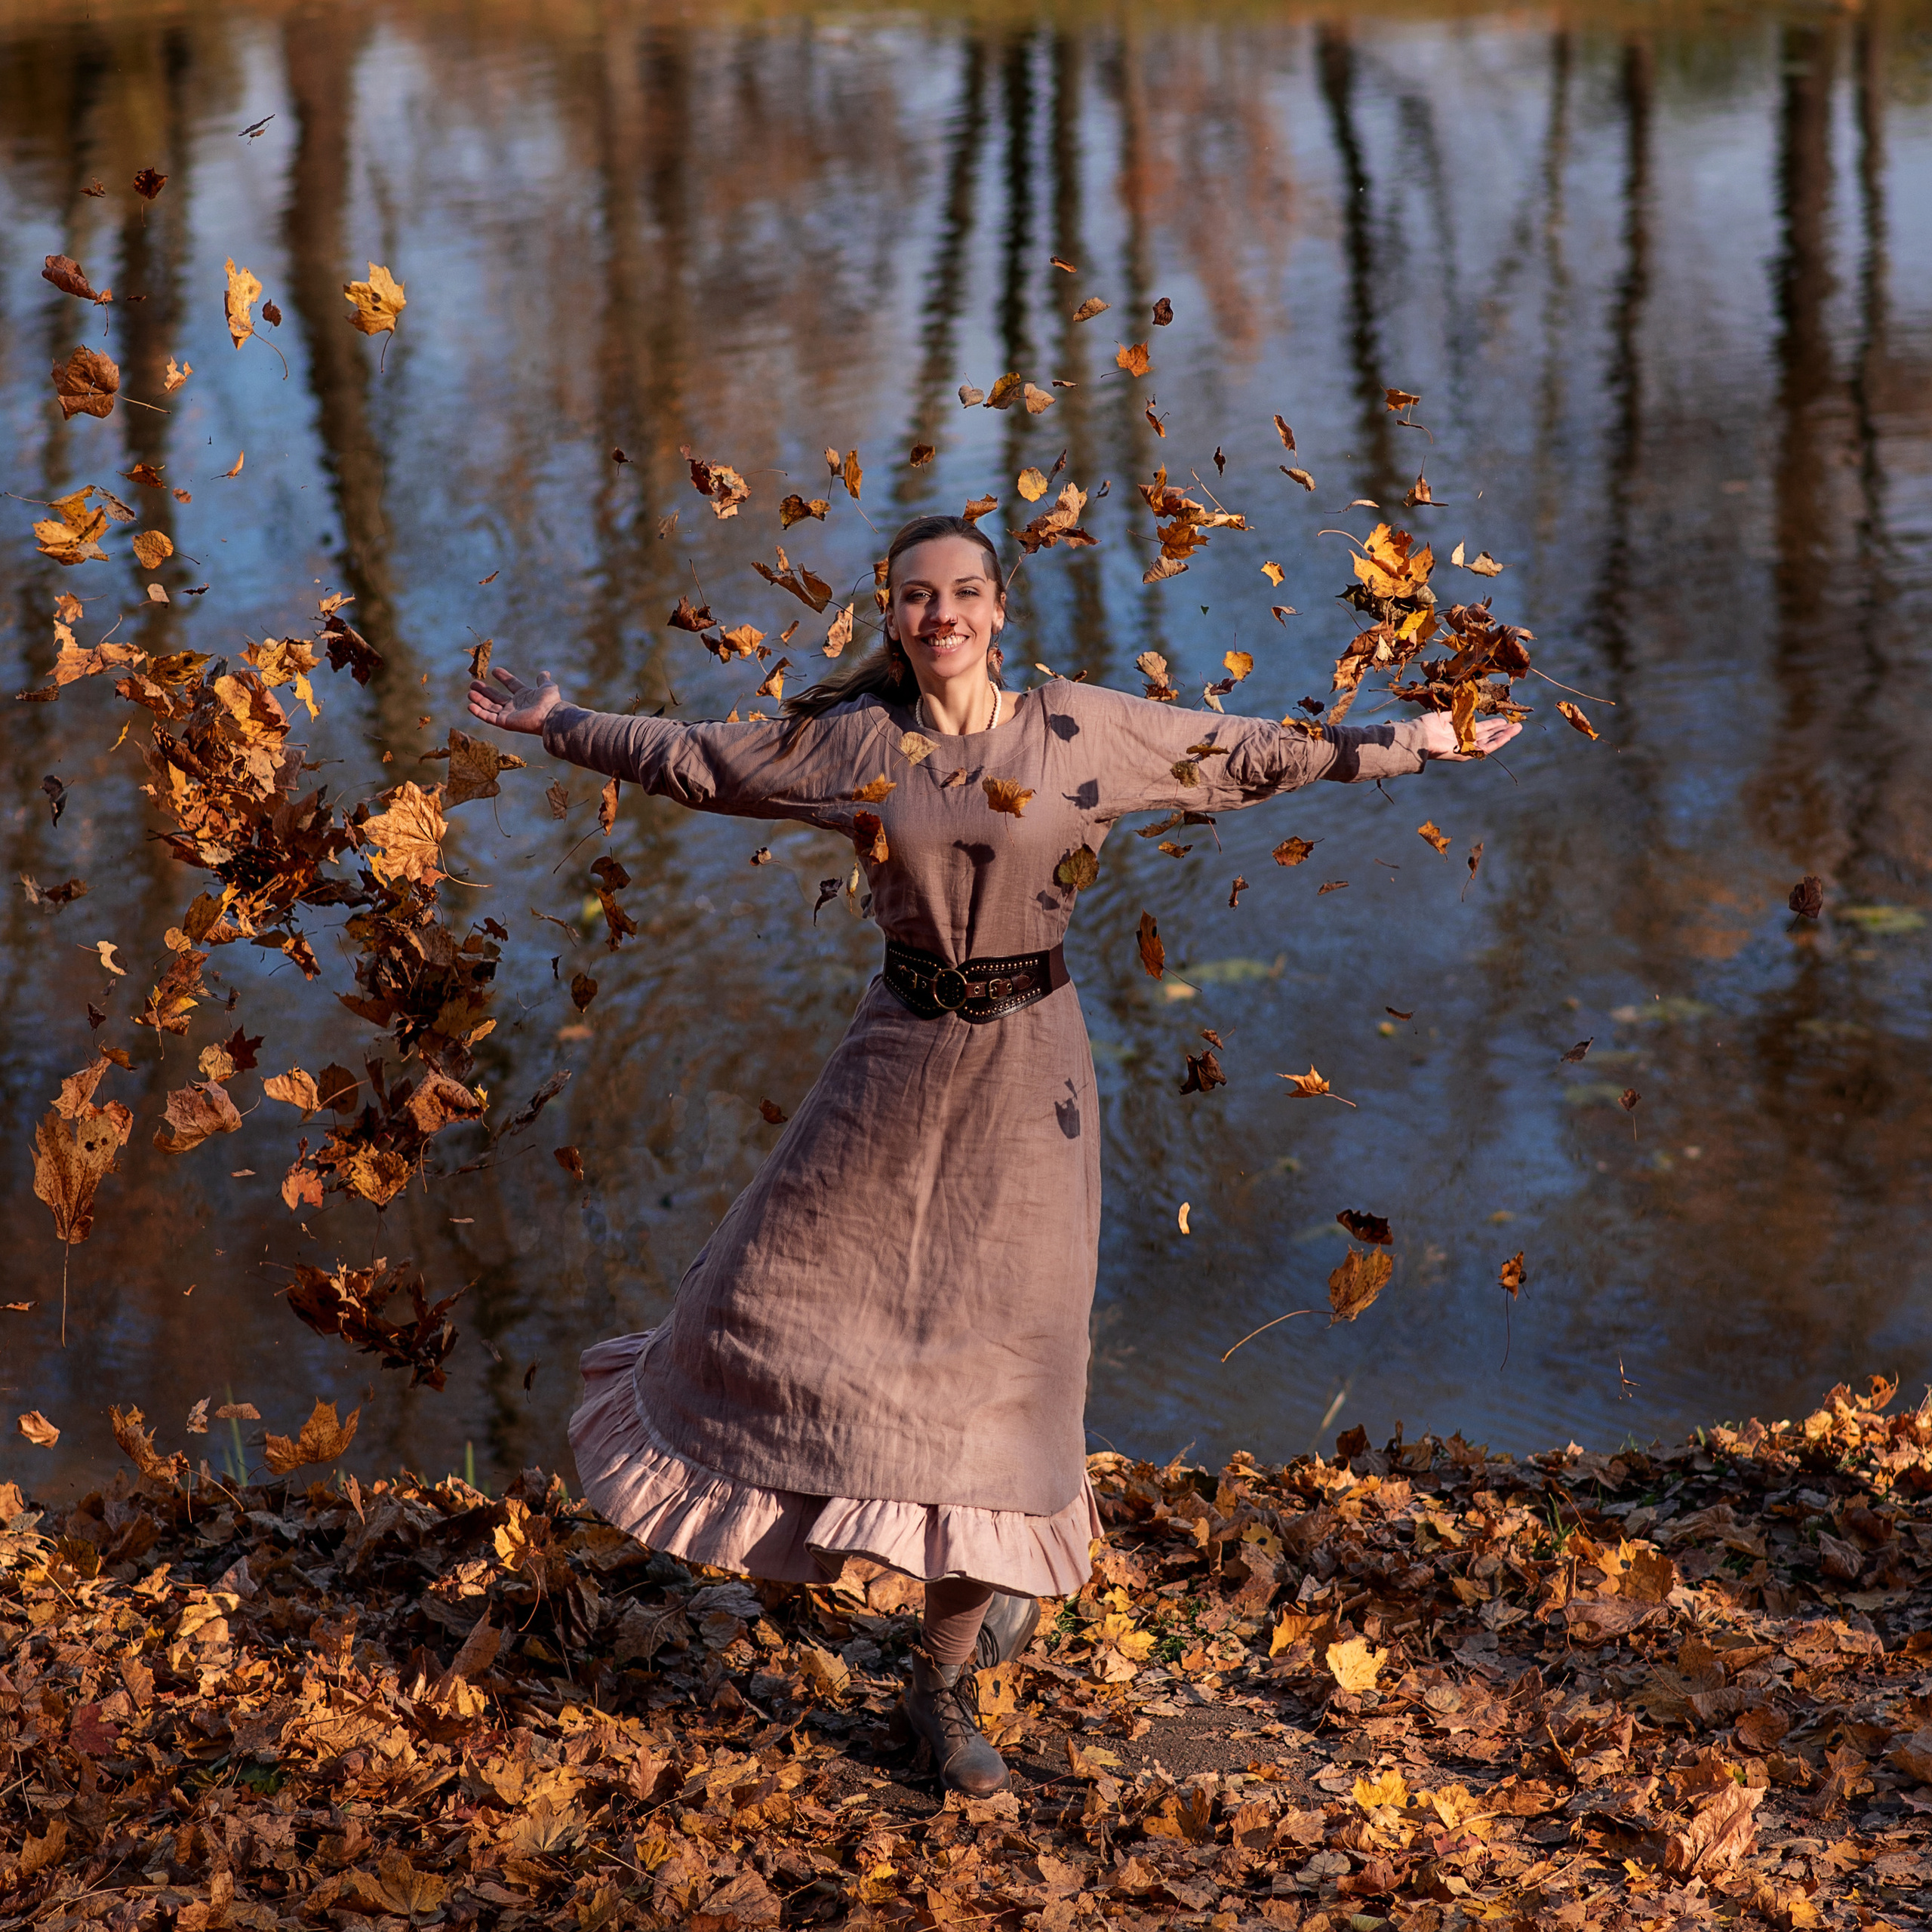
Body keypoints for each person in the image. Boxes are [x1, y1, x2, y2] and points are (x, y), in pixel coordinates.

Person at [467, 512, 1517, 1794]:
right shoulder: (859, 743)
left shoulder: (1078, 728)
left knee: (1006, 1392)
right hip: (894, 1065)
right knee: (768, 1300)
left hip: (1033, 1083)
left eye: (964, 592)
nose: (942, 615)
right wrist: (561, 721)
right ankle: (871, 1556)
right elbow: (702, 761)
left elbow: (1243, 756)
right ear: (893, 616)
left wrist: (1413, 742)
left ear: (1001, 609)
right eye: (917, 598)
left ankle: (941, 1692)